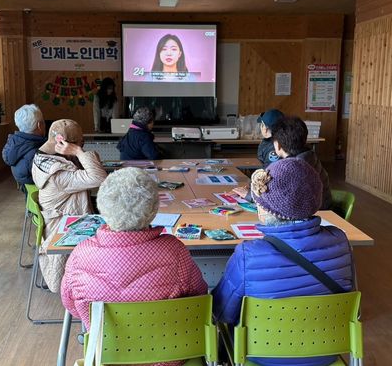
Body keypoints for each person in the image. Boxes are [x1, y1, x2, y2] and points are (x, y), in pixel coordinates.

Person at [213, 158, 354, 366]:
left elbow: (221, 312)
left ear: (267, 210)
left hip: (261, 355)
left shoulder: (248, 254)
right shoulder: (341, 242)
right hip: (326, 352)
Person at [61, 167, 208, 337]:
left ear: (101, 205)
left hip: (106, 354)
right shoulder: (175, 251)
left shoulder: (80, 254)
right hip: (170, 355)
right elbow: (199, 296)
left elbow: (72, 306)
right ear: (153, 209)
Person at [31, 119, 107, 293]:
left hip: (66, 220)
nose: (83, 146)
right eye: (81, 143)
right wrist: (78, 152)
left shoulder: (43, 158)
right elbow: (99, 178)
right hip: (65, 230)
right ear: (63, 144)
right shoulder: (57, 174)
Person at [272, 116, 332, 209]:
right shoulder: (310, 156)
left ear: (278, 145)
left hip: (312, 214)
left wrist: (248, 195)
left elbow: (276, 198)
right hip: (322, 209)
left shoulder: (292, 167)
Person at [232, 108, 284, 200]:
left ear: (266, 128)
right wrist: (251, 186)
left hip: (267, 196)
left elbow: (269, 177)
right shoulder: (271, 142)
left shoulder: (274, 148)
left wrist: (250, 195)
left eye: (261, 125)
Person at [1, 104, 46, 192]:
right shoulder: (37, 152)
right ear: (39, 125)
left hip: (30, 196)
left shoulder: (14, 145)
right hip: (41, 197)